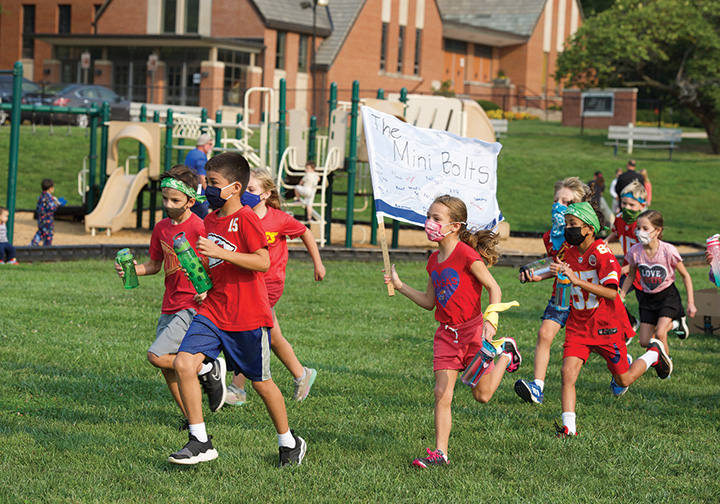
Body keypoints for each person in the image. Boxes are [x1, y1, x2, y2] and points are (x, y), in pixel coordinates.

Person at [169, 152, 306, 467]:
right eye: (206, 181)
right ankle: (200, 441)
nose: (207, 188)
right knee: (183, 363)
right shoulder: (210, 220)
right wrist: (199, 272)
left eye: (213, 183)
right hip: (214, 308)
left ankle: (289, 442)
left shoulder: (246, 218)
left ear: (234, 188)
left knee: (261, 383)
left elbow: (262, 261)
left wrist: (220, 252)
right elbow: (216, 263)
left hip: (248, 314)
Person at [383, 194, 522, 468]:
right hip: (446, 336)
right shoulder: (433, 260)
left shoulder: (466, 255)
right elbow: (429, 302)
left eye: (437, 219)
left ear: (455, 225)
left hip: (473, 334)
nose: (429, 223)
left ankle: (506, 351)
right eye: (428, 217)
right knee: (441, 393)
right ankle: (440, 453)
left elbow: (494, 288)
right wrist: (400, 286)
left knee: (482, 396)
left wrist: (491, 321)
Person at [551, 202, 673, 437]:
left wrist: (577, 280)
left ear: (589, 228)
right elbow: (564, 279)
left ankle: (653, 354)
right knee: (567, 373)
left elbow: (611, 293)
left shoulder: (602, 253)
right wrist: (540, 274)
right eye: (567, 224)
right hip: (578, 326)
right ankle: (569, 429)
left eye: (573, 224)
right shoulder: (570, 252)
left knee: (624, 380)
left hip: (606, 326)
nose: (568, 229)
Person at [114, 165, 215, 431]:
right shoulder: (160, 228)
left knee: (156, 355)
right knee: (168, 368)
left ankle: (206, 369)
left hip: (191, 304)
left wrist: (208, 290)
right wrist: (131, 270)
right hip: (169, 304)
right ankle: (191, 420)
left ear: (191, 201)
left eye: (175, 200)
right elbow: (155, 265)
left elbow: (216, 264)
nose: (168, 205)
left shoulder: (201, 226)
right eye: (165, 199)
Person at [226, 167, 326, 405]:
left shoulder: (279, 219)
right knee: (272, 337)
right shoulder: (239, 217)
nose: (245, 193)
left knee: (249, 331)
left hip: (269, 285)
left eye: (251, 189)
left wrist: (318, 263)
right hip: (247, 283)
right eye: (243, 188)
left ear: (265, 194)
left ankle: (237, 389)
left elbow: (305, 233)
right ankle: (302, 374)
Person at [515, 177, 589, 404]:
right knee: (544, 334)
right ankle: (537, 387)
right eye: (556, 200)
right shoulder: (549, 237)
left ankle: (621, 366)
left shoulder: (586, 235)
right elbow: (555, 264)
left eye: (566, 202)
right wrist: (540, 274)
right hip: (562, 293)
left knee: (597, 344)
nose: (559, 205)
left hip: (586, 297)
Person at [621, 210, 696, 352]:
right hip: (647, 299)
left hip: (667, 296)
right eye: (638, 228)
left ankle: (666, 363)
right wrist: (621, 297)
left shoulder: (668, 251)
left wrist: (691, 303)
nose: (640, 232)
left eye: (645, 228)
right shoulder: (635, 252)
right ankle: (676, 324)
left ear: (658, 231)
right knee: (644, 342)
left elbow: (685, 275)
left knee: (660, 333)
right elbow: (630, 276)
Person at [605, 180, 648, 335]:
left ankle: (675, 317)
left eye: (632, 205)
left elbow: (646, 255)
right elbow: (617, 232)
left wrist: (622, 269)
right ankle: (630, 323)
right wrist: (606, 241)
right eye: (624, 203)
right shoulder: (619, 218)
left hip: (644, 271)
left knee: (648, 308)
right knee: (612, 294)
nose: (627, 208)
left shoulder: (644, 225)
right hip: (628, 268)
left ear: (642, 205)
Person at [183, 133, 213, 218]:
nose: (211, 146)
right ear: (204, 144)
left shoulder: (191, 153)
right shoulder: (201, 156)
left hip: (189, 192)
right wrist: (209, 191)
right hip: (199, 197)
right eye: (210, 144)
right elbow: (202, 177)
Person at [30, 178, 59, 246]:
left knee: (41, 232)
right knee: (48, 233)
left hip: (40, 218)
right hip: (47, 219)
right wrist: (57, 204)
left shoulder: (40, 196)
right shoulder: (48, 198)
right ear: (50, 188)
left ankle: (33, 243)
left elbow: (38, 207)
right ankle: (47, 247)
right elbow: (51, 207)